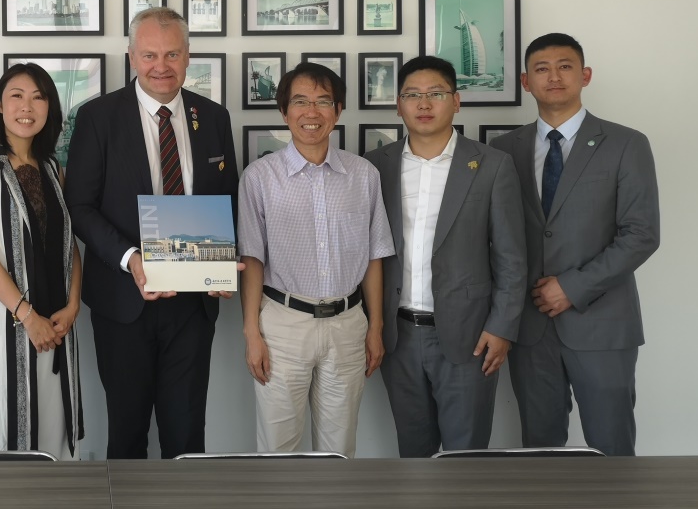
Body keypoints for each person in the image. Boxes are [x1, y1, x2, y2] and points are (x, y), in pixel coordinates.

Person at [65, 7, 239, 459]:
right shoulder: (98, 117)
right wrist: (131, 259)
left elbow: (227, 198)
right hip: (124, 302)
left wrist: (223, 261)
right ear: (131, 57)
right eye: (149, 55)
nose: (161, 66)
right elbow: (79, 206)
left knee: (187, 435)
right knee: (127, 436)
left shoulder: (213, 117)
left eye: (172, 54)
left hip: (193, 304)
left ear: (188, 56)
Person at [491, 33, 659, 456]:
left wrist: (572, 286)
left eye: (564, 66)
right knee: (540, 449)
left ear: (585, 75)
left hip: (602, 323)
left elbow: (641, 234)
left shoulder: (626, 143)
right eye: (541, 69)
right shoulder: (503, 150)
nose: (554, 76)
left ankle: (617, 506)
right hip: (529, 327)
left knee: (612, 446)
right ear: (525, 82)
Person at [365, 56, 527, 457]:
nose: (424, 104)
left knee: (465, 458)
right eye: (412, 95)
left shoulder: (492, 165)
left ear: (456, 101)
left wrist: (502, 327)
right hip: (398, 336)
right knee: (413, 453)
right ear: (398, 105)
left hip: (469, 335)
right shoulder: (375, 166)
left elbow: (511, 256)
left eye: (435, 93)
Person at [238, 62, 393, 457]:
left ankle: (334, 505)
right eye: (300, 102)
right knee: (278, 450)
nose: (312, 112)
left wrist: (375, 327)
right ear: (284, 111)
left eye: (323, 102)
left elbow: (374, 257)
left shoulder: (364, 175)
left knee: (339, 451)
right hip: (283, 325)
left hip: (348, 325)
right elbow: (252, 260)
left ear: (338, 111)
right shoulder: (259, 177)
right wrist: (252, 333)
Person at [0, 63, 83, 459]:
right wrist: (28, 317)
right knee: (9, 435)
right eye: (16, 96)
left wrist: (73, 305)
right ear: (0, 105)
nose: (26, 106)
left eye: (38, 97)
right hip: (7, 325)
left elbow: (69, 244)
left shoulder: (53, 168)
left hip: (59, 325)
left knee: (55, 434)